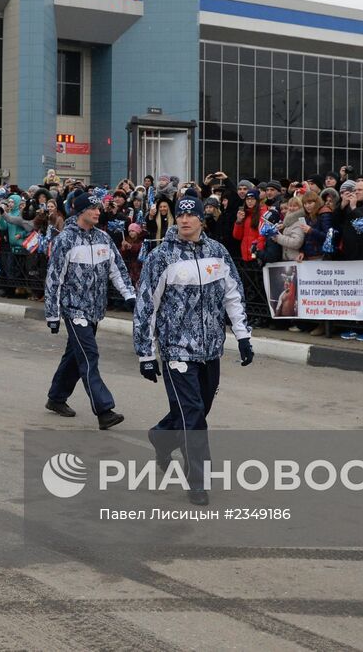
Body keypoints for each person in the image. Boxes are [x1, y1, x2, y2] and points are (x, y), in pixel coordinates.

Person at [132, 190, 254, 506]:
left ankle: (162, 436)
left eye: (191, 214)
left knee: (198, 409)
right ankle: (197, 481)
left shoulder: (218, 252)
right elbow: (147, 305)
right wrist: (146, 353)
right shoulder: (162, 256)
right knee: (194, 414)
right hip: (176, 350)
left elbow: (233, 295)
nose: (185, 219)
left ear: (201, 218)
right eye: (181, 214)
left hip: (211, 348)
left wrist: (242, 337)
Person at [44, 191, 136, 429]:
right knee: (89, 354)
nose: (98, 212)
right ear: (81, 211)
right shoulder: (65, 240)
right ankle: (104, 410)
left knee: (75, 356)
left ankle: (56, 397)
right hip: (74, 309)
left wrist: (129, 295)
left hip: (95, 309)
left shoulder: (103, 239)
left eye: (99, 209)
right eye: (93, 209)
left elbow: (117, 269)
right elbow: (55, 278)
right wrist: (53, 314)